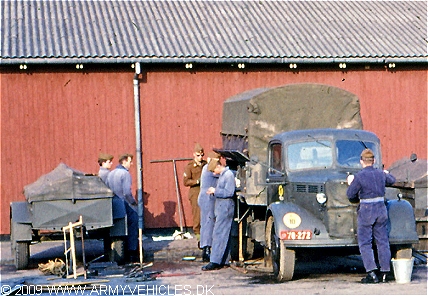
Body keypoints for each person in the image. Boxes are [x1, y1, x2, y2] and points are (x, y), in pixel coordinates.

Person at [346, 148, 396, 284]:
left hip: (366, 211)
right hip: (381, 209)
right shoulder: (380, 174)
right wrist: (386, 173)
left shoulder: (359, 177)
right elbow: (392, 180)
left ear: (362, 161)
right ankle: (385, 272)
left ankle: (372, 273)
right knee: (382, 242)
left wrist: (351, 182)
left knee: (365, 243)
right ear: (373, 161)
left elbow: (350, 195)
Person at [202, 159, 236, 271]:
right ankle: (224, 260)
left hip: (225, 208)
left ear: (218, 166)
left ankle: (215, 261)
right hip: (222, 207)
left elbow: (229, 192)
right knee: (223, 233)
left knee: (219, 233)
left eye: (213, 170)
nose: (213, 173)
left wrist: (215, 191)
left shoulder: (228, 175)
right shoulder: (224, 175)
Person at [105, 153, 139, 261]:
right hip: (123, 204)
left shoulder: (111, 174)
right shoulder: (125, 174)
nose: (131, 164)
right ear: (124, 162)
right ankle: (132, 250)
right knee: (133, 220)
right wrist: (133, 202)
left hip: (112, 204)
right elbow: (127, 193)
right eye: (130, 161)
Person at [198, 151, 220, 262]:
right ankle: (206, 250)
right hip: (208, 198)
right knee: (209, 223)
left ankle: (204, 247)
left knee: (205, 222)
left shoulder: (205, 167)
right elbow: (222, 173)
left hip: (204, 197)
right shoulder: (210, 169)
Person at [183, 143, 207, 239]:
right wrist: (197, 181)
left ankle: (205, 231)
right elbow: (186, 181)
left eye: (202, 155)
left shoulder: (205, 165)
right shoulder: (190, 166)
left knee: (206, 212)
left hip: (205, 191)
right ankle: (197, 233)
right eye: (198, 155)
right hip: (195, 191)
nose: (200, 157)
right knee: (197, 213)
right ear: (194, 155)